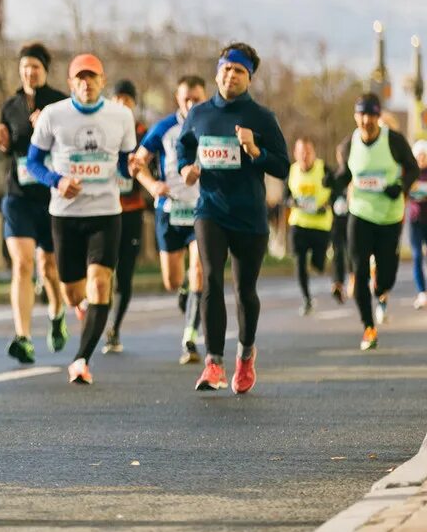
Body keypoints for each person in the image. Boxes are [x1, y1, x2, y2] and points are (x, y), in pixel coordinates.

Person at [176, 43, 289, 394]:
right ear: (217, 72)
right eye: (226, 69)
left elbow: (283, 167)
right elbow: (184, 146)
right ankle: (213, 363)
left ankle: (245, 356)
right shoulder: (199, 114)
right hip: (210, 209)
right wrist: (186, 170)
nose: (231, 75)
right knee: (210, 278)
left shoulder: (261, 118)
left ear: (249, 78)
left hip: (249, 214)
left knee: (244, 291)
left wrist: (256, 151)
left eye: (239, 71)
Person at [27, 53, 136, 384]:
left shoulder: (121, 116)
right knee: (73, 293)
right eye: (80, 78)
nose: (86, 83)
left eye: (92, 77)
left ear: (102, 81)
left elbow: (123, 161)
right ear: (71, 83)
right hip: (65, 214)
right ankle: (81, 308)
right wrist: (57, 181)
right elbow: (33, 162)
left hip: (105, 212)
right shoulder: (53, 115)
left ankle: (80, 360)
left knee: (101, 283)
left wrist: (131, 168)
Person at [0, 42, 69, 365]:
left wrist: (48, 128)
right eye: (25, 67)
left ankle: (57, 311)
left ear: (45, 70)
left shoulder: (60, 103)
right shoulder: (10, 106)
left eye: (35, 67)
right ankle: (23, 337)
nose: (29, 72)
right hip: (19, 194)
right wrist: (1, 141)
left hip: (50, 197)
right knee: (23, 264)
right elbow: (9, 147)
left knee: (48, 267)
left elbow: (70, 146)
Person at [132, 75, 209, 364]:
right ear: (177, 98)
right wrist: (152, 186)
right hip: (170, 210)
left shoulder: (212, 124)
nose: (191, 103)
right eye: (186, 98)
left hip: (202, 209)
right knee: (172, 279)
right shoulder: (163, 128)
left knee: (199, 269)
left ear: (205, 97)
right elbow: (137, 164)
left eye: (197, 98)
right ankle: (187, 294)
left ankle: (190, 336)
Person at [335, 94, 418, 350]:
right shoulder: (348, 145)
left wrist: (401, 187)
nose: (366, 120)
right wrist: (332, 182)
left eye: (371, 115)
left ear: (378, 117)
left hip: (389, 218)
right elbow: (346, 173)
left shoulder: (393, 140)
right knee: (358, 271)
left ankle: (380, 285)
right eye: (362, 114)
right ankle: (368, 327)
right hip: (359, 214)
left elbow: (413, 168)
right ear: (355, 116)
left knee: (386, 278)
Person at [103, 79, 148, 353]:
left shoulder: (143, 133)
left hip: (131, 212)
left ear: (134, 103)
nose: (122, 104)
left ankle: (114, 329)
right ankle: (96, 309)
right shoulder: (101, 128)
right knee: (99, 268)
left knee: (125, 274)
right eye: (117, 98)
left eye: (127, 99)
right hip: (103, 210)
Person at [285, 138, 334, 316]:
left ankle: (319, 263)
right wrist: (292, 201)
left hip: (320, 226)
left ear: (314, 153)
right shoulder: (291, 171)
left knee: (318, 265)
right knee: (299, 261)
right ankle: (306, 298)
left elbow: (336, 190)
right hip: (299, 223)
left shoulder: (324, 170)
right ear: (296, 154)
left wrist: (327, 204)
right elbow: (286, 196)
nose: (304, 156)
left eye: (308, 152)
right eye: (301, 152)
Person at [409, 141, 427, 309]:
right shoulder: (410, 173)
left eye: (424, 155)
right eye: (419, 155)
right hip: (415, 220)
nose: (422, 158)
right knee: (417, 256)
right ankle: (422, 292)